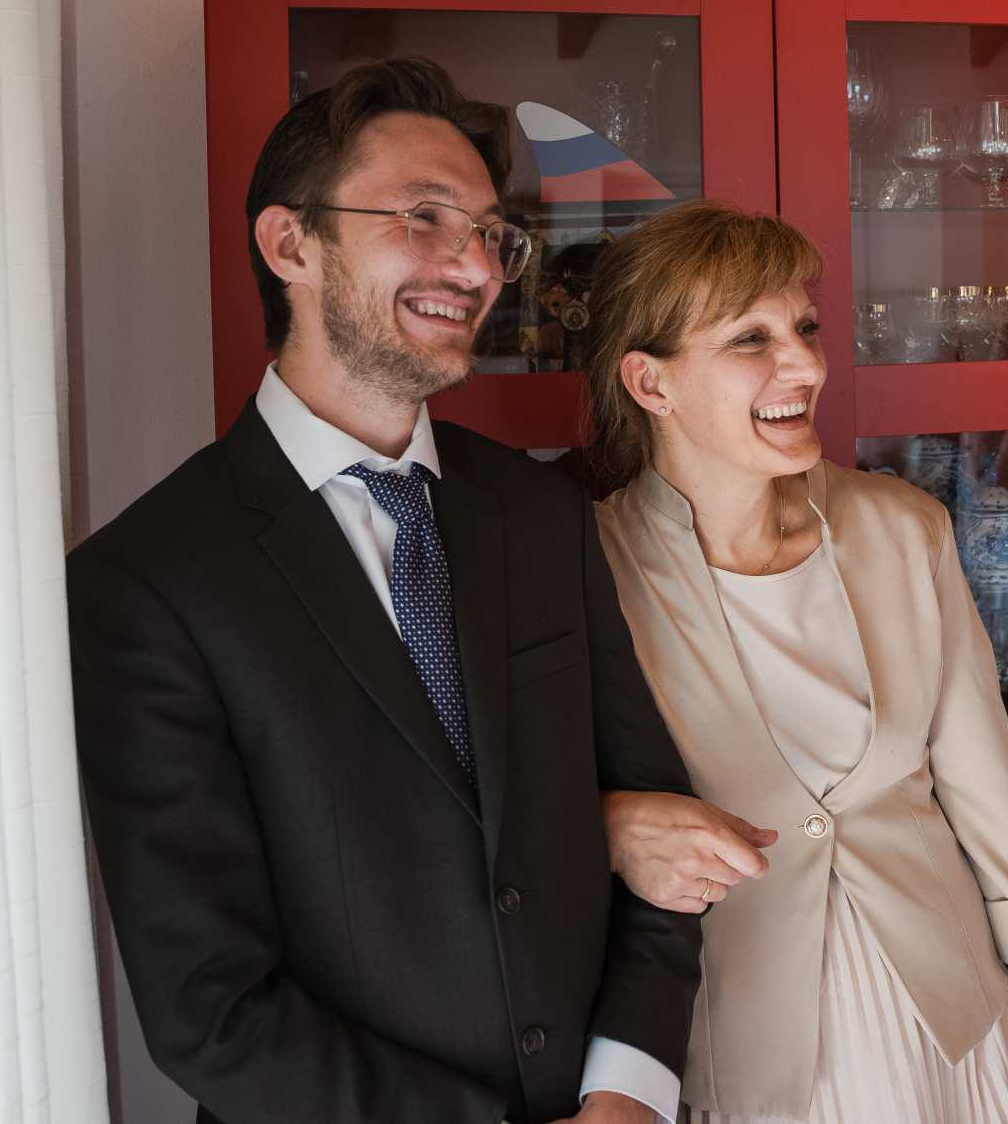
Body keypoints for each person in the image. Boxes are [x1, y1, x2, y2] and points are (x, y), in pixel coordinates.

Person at [69, 57, 701, 1124]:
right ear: (290, 245)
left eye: (492, 233)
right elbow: (208, 1005)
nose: (477, 265)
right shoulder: (147, 583)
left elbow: (657, 836)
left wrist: (629, 1089)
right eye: (424, 217)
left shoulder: (540, 514)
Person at [582, 202, 1008, 1124]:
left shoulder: (903, 528)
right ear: (650, 383)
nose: (807, 365)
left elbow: (990, 801)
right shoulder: (584, 565)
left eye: (806, 328)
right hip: (732, 1043)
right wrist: (606, 821)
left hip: (951, 1019)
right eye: (751, 339)